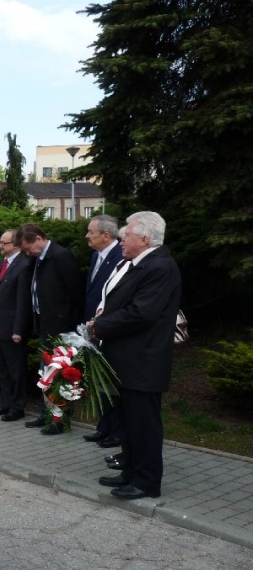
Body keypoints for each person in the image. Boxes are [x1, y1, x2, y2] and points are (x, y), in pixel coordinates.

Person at [91, 211, 181, 500]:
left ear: (144, 238)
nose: (121, 240)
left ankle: (146, 481)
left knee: (144, 424)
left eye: (126, 235)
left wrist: (100, 326)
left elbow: (142, 313)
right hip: (128, 359)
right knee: (129, 422)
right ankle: (130, 471)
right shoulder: (138, 263)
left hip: (144, 361)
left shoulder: (160, 267)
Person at [15, 223, 84, 434]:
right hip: (45, 324)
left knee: (61, 374)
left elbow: (76, 292)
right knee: (46, 372)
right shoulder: (39, 259)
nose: (28, 253)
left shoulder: (60, 256)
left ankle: (60, 421)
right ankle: (46, 415)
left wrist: (70, 324)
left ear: (38, 238)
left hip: (61, 327)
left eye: (28, 248)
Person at [83, 215, 124, 447]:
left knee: (111, 382)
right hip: (93, 328)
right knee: (98, 381)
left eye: (91, 232)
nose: (87, 236)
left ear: (106, 235)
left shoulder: (120, 256)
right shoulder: (95, 256)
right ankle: (104, 426)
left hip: (109, 329)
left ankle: (116, 431)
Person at [0, 229, 32, 421]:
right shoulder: (0, 263)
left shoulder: (24, 265)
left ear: (15, 244)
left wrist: (18, 329)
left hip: (12, 327)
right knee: (3, 370)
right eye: (0, 242)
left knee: (16, 371)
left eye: (3, 243)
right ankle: (4, 403)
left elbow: (23, 301)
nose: (0, 246)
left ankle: (17, 406)